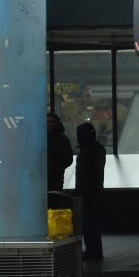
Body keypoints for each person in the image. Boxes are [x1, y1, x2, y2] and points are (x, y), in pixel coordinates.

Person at [75, 122, 106, 261]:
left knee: (89, 222)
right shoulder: (97, 148)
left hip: (88, 191)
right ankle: (94, 250)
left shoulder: (88, 150)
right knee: (91, 222)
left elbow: (86, 173)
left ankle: (92, 251)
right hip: (94, 190)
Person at [46, 111, 73, 192]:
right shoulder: (62, 139)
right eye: (47, 122)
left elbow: (68, 160)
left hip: (55, 180)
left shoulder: (62, 140)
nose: (49, 124)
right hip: (55, 179)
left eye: (51, 122)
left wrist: (54, 168)